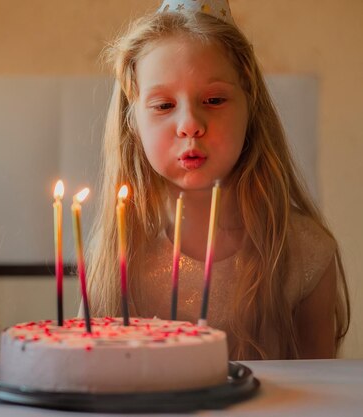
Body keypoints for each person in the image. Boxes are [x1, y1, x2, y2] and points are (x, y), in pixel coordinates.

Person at [86, 0, 350, 360]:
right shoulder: (122, 248)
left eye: (213, 99)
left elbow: (322, 394)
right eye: (163, 105)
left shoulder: (303, 254)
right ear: (132, 123)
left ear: (250, 104)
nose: (190, 124)